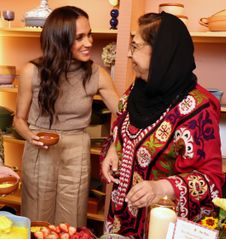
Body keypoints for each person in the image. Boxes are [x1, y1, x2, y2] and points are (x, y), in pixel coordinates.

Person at [101, 12, 225, 238]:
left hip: (163, 226)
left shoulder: (198, 108)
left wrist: (161, 188)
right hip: (122, 220)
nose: (129, 54)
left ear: (161, 53)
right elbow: (121, 127)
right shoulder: (137, 90)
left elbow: (211, 180)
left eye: (135, 46)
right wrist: (112, 150)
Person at [14, 6, 119, 227]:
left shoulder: (97, 74)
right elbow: (19, 120)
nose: (89, 42)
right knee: (37, 218)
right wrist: (30, 136)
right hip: (40, 148)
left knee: (71, 219)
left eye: (89, 34)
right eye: (80, 37)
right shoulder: (31, 72)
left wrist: (113, 147)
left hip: (76, 151)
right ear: (60, 39)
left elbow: (123, 115)